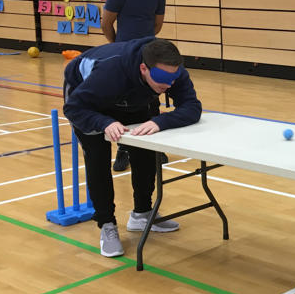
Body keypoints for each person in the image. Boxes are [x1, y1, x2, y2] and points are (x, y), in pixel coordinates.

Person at [63, 37, 202, 258]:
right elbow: (73, 108)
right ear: (144, 68)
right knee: (97, 158)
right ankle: (106, 224)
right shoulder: (110, 71)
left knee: (146, 151)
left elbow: (192, 107)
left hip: (133, 98)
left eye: (173, 78)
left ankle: (142, 214)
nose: (169, 85)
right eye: (162, 79)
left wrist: (160, 122)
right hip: (88, 100)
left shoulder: (172, 72)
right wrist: (104, 123)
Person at [102, 0, 167, 172]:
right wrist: (119, 47)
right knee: (125, 102)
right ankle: (124, 148)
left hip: (149, 56)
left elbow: (156, 25)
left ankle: (156, 147)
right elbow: (106, 24)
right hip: (124, 56)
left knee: (152, 100)